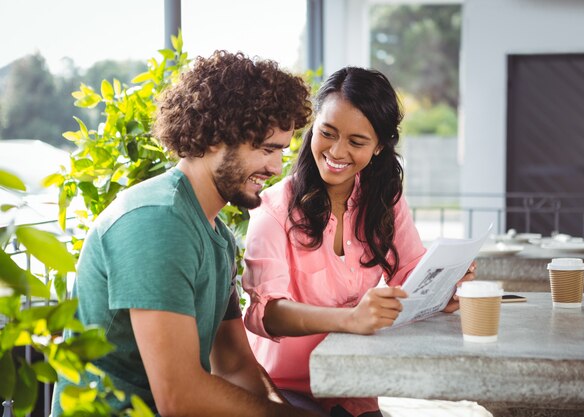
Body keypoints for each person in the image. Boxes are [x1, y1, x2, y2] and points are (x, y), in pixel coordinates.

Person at [51, 50, 320, 417]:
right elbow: (180, 397)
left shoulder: (218, 237)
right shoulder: (157, 221)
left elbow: (234, 365)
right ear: (214, 137)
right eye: (265, 149)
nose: (276, 167)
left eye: (281, 151)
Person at [242, 67, 476, 417]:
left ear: (379, 146)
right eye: (328, 133)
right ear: (312, 129)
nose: (337, 151)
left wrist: (444, 286)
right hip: (285, 391)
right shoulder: (273, 209)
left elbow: (409, 275)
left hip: (356, 387)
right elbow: (266, 313)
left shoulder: (384, 200)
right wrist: (350, 318)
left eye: (356, 141)